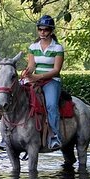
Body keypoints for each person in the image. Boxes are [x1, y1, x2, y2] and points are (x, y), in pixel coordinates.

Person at [21, 15, 64, 150]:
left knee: (51, 105)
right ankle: (9, 135)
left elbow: (56, 70)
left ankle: (54, 136)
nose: (42, 32)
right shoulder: (33, 46)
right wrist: (27, 73)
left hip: (51, 80)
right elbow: (32, 65)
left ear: (51, 31)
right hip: (35, 78)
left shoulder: (57, 48)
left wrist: (38, 77)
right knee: (13, 94)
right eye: (40, 29)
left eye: (45, 30)